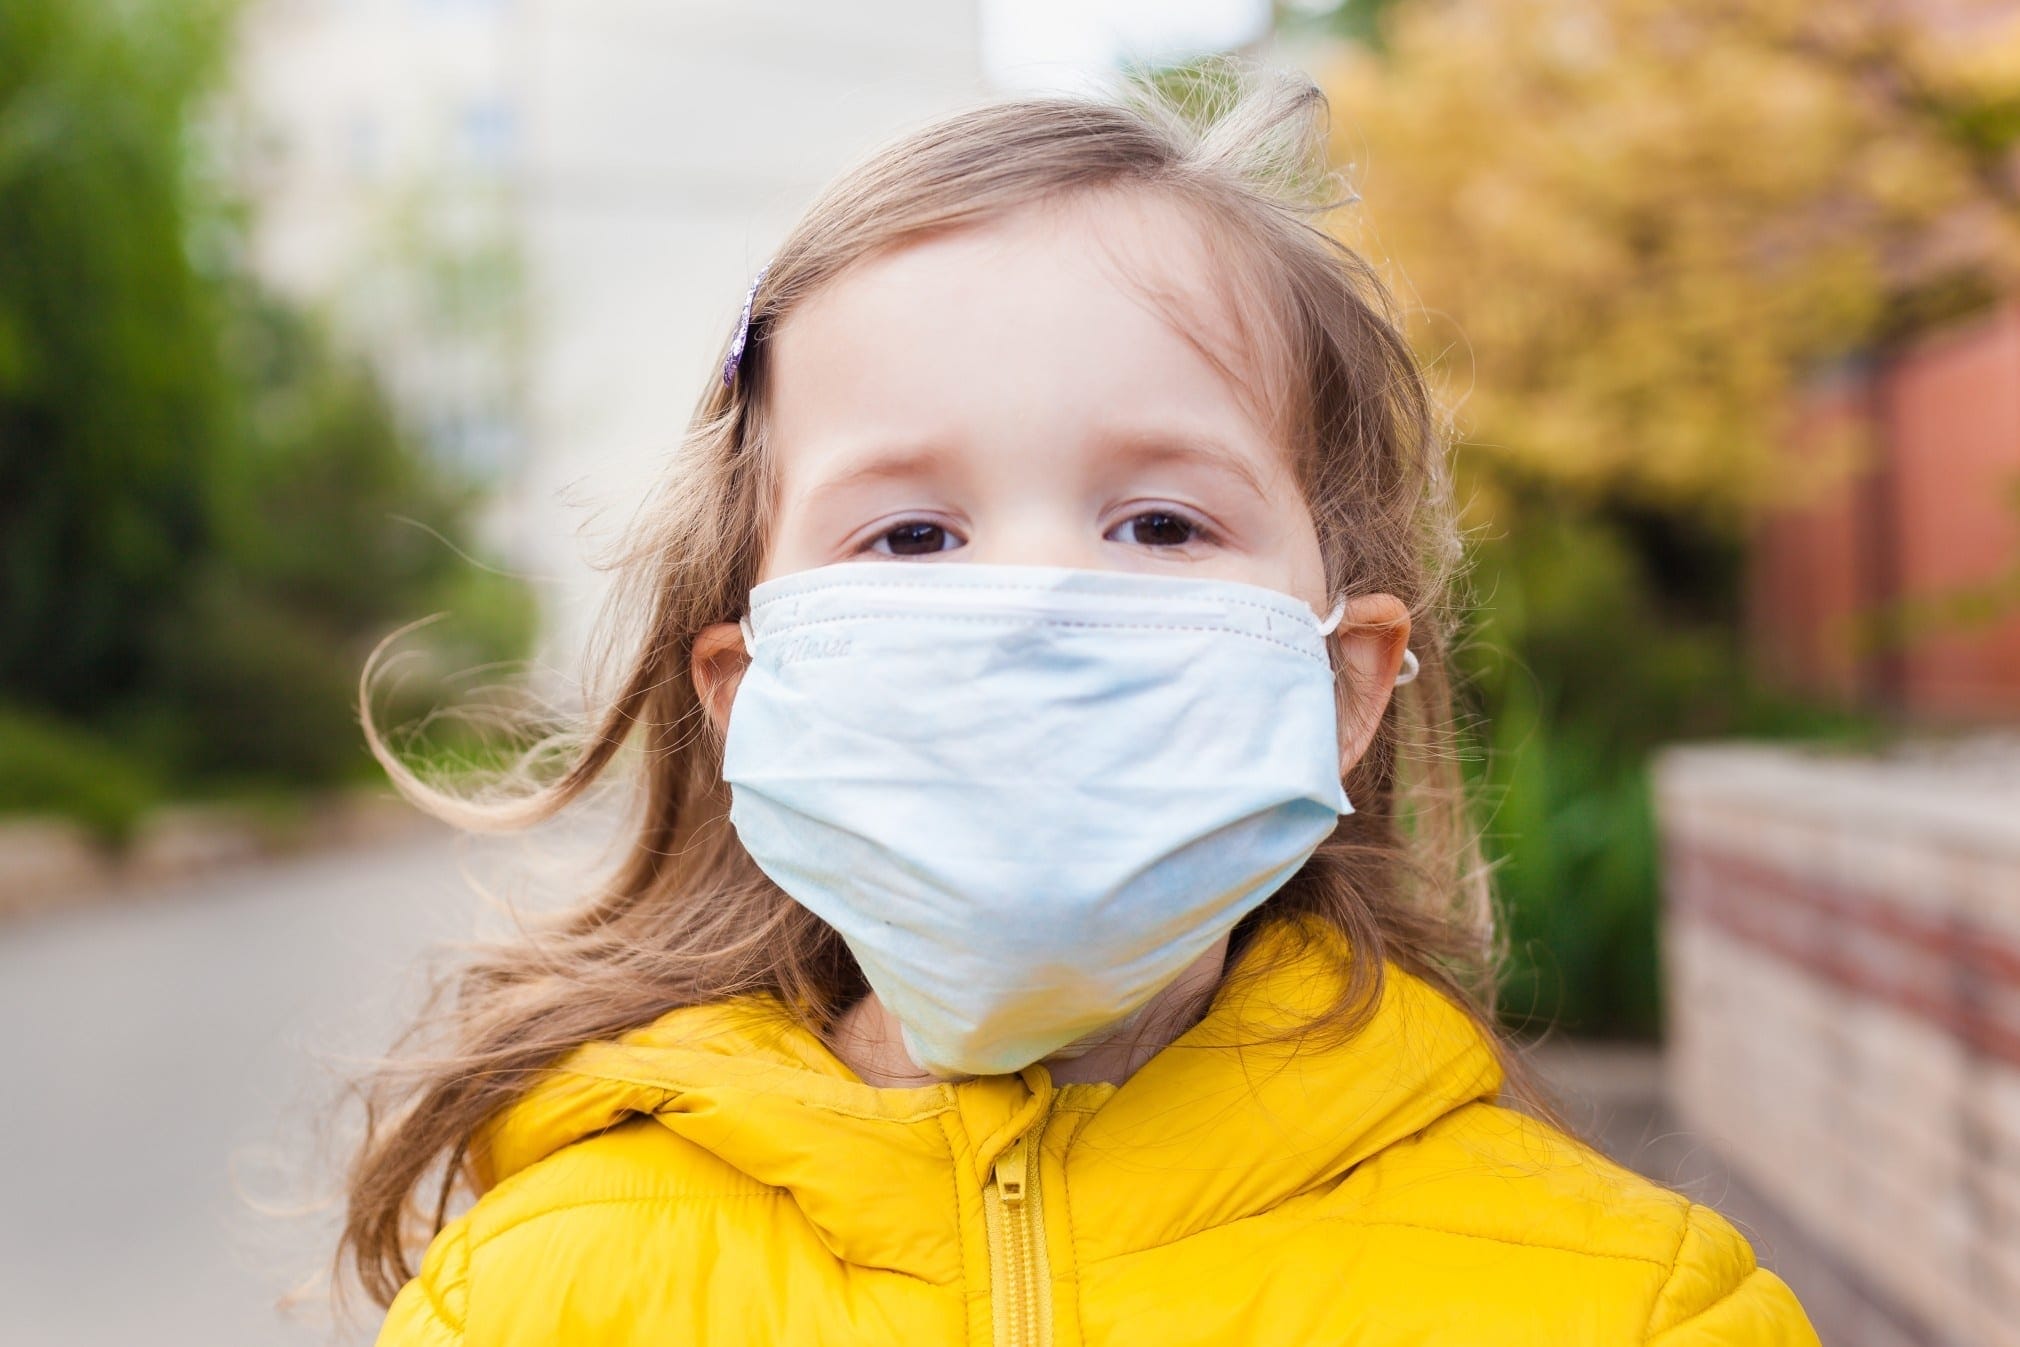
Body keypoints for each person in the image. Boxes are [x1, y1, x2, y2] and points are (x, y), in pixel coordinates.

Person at [344, 70, 1819, 1346]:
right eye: (913, 535)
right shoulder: (538, 1298)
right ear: (749, 698)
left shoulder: (1631, 1307)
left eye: (1161, 526)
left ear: (1345, 681)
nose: (1041, 596)